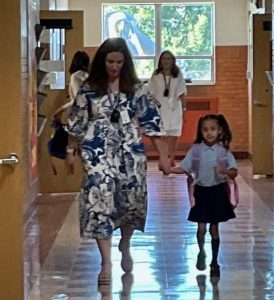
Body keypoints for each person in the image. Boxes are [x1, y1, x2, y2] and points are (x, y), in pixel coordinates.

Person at [64, 37, 169, 286]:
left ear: (126, 62)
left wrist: (164, 157)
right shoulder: (89, 87)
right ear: (102, 61)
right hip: (97, 151)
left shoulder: (136, 88)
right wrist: (70, 151)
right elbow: (76, 121)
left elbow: (152, 123)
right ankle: (105, 263)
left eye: (119, 62)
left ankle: (125, 242)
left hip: (129, 153)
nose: (114, 66)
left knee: (129, 200)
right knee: (98, 199)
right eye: (110, 61)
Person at [169, 114, 238, 277]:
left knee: (214, 228)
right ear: (201, 131)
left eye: (213, 129)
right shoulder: (196, 150)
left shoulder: (224, 151)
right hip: (201, 191)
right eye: (205, 129)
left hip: (217, 191)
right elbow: (185, 167)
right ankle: (201, 250)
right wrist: (171, 169)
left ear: (220, 130)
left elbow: (234, 172)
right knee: (201, 229)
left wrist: (224, 171)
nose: (209, 133)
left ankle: (215, 262)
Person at [148, 50, 187, 167]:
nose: (166, 61)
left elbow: (182, 93)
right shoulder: (156, 74)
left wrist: (184, 110)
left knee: (174, 135)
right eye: (164, 58)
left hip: (175, 107)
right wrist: (154, 104)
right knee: (162, 135)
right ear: (160, 60)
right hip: (161, 108)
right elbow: (150, 92)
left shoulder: (178, 74)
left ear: (173, 61)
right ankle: (163, 157)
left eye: (169, 59)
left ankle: (172, 157)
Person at [52, 50, 90, 117]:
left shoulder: (75, 76)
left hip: (81, 114)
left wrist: (62, 108)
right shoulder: (89, 75)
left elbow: (78, 99)